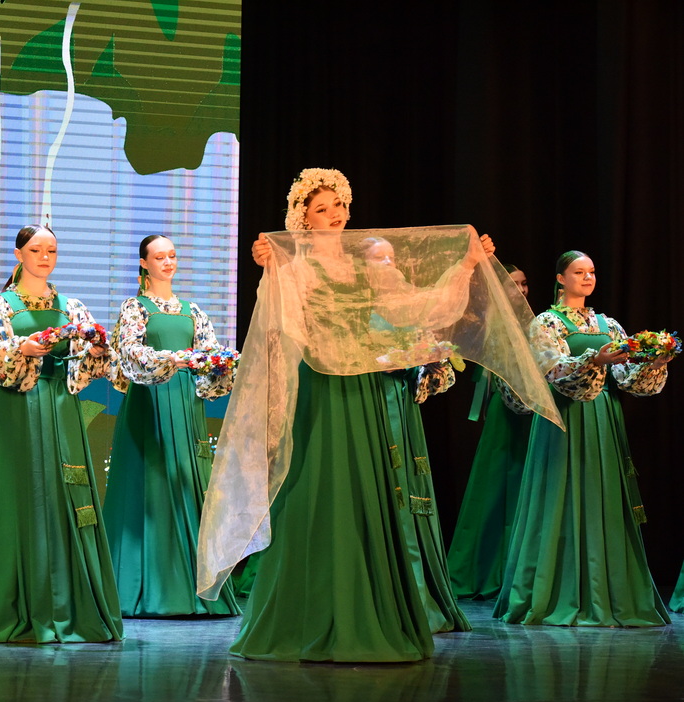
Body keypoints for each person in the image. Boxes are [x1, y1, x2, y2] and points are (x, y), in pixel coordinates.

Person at [200, 168, 496, 662]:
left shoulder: (367, 268)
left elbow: (412, 309)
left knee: (363, 492)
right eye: (321, 208)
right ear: (304, 218)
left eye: (338, 205)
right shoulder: (294, 268)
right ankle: (305, 616)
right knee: (316, 489)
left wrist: (465, 265)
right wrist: (271, 268)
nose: (334, 214)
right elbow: (281, 327)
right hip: (319, 391)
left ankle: (366, 612)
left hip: (362, 390)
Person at [0, 225, 123, 643]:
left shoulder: (72, 306)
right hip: (17, 406)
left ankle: (68, 602)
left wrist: (98, 350)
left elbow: (89, 361)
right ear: (19, 254)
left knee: (65, 493)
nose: (45, 257)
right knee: (19, 492)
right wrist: (21, 349)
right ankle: (8, 601)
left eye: (52, 250)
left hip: (61, 407)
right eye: (36, 250)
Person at [494, 251, 670, 627]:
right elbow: (552, 369)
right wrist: (594, 361)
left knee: (601, 496)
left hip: (603, 419)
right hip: (564, 418)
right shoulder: (546, 322)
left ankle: (606, 592)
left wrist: (652, 363)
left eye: (591, 272)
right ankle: (552, 591)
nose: (587, 278)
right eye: (578, 272)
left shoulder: (608, 324)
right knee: (560, 497)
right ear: (561, 279)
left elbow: (627, 377)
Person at [102, 235, 239, 617]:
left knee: (188, 482)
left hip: (186, 403)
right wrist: (175, 359)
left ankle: (195, 588)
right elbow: (130, 352)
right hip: (150, 401)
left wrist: (220, 362)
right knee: (149, 485)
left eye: (172, 256)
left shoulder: (193, 311)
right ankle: (144, 588)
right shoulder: (135, 307)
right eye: (159, 257)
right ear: (144, 263)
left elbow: (209, 354)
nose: (167, 262)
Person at [360, 237, 470, 634]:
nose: (389, 263)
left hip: (402, 405)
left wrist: (430, 361)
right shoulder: (354, 308)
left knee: (407, 491)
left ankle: (414, 594)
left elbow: (436, 375)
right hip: (366, 401)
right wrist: (378, 360)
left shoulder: (408, 308)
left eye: (392, 257)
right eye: (379, 258)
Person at [448, 264, 534, 600]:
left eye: (524, 284)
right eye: (513, 284)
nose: (521, 290)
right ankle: (484, 568)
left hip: (531, 411)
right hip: (508, 408)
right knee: (496, 483)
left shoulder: (533, 322)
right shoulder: (491, 322)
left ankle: (520, 570)